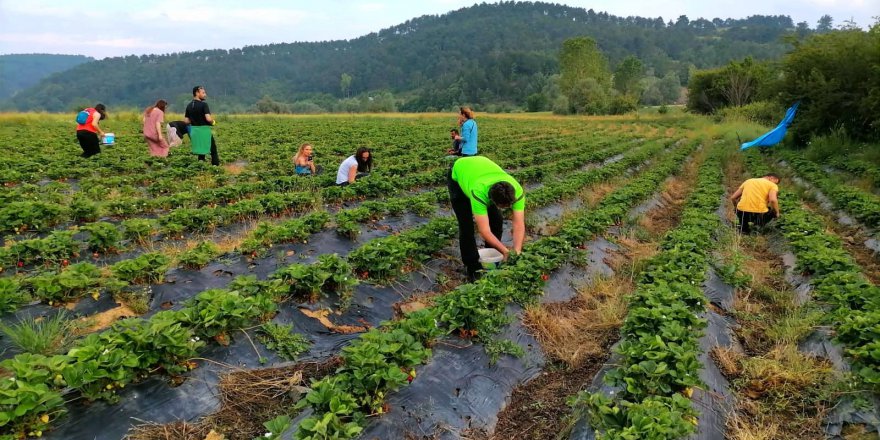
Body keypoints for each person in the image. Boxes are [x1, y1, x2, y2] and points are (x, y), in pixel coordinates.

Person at [448, 156, 525, 281]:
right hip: (459, 173)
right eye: (502, 206)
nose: (506, 208)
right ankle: (473, 267)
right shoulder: (479, 192)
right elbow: (484, 230)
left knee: (497, 220)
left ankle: (492, 256)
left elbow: (519, 224)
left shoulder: (516, 191)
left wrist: (516, 251)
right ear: (492, 200)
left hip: (481, 168)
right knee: (466, 225)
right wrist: (506, 251)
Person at [184, 86, 220, 165]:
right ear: (197, 93)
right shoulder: (204, 105)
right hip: (204, 130)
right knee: (213, 150)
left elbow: (186, 121)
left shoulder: (189, 106)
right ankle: (216, 166)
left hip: (195, 131)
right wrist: (213, 122)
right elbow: (208, 119)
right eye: (203, 93)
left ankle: (200, 166)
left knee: (201, 150)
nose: (205, 94)